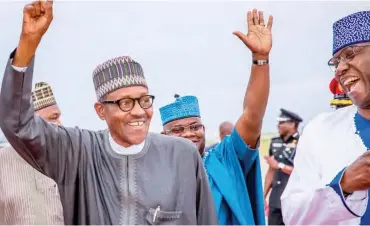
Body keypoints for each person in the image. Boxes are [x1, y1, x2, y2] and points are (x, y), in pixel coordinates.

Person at [0, 1, 217, 225]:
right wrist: (28, 44)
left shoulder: (181, 155)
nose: (138, 112)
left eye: (144, 100)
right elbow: (18, 124)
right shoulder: (78, 152)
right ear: (101, 110)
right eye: (125, 103)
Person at [159, 8, 273, 225]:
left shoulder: (223, 161)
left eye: (195, 126)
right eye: (178, 130)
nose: (189, 134)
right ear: (163, 135)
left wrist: (260, 59)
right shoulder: (153, 174)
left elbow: (252, 116)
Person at [281, 11, 370, 225]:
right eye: (336, 61)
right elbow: (293, 215)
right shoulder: (320, 131)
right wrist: (343, 186)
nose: (339, 68)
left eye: (350, 54)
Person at [0, 82, 64, 225]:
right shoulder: (3, 162)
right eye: (53, 118)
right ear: (30, 123)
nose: (60, 124)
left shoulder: (65, 159)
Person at [263, 108, 302, 225]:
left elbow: (302, 171)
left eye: (281, 122)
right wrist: (263, 196)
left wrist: (279, 166)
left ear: (292, 124)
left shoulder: (303, 142)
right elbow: (271, 170)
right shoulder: (275, 142)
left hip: (294, 198)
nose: (278, 126)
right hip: (276, 198)